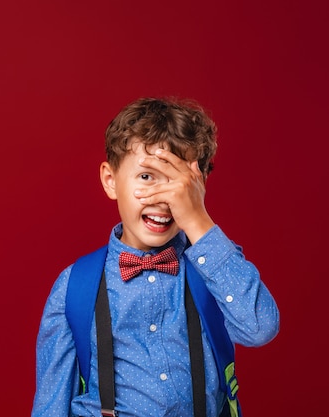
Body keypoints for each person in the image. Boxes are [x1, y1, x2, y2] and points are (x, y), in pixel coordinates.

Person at [31, 97, 280, 417]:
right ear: (110, 181)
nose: (164, 199)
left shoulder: (214, 265)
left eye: (178, 183)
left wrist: (197, 221)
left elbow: (260, 328)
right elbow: (49, 406)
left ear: (198, 188)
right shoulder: (74, 286)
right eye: (147, 177)